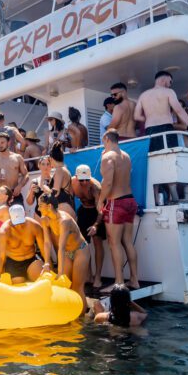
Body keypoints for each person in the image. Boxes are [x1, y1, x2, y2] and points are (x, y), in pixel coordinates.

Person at [89, 130, 139, 290]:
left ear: (106, 139)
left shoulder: (107, 157)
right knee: (128, 242)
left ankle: (119, 282)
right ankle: (134, 280)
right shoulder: (126, 155)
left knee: (114, 243)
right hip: (130, 200)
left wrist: (101, 200)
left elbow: (108, 182)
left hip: (116, 203)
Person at [38, 194, 90, 309]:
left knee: (77, 287)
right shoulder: (44, 219)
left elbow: (60, 247)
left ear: (49, 206)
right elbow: (47, 242)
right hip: (67, 252)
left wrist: (60, 272)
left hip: (80, 250)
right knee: (66, 286)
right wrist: (46, 262)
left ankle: (82, 321)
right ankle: (70, 315)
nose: (38, 209)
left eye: (40, 205)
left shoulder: (64, 221)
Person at [134, 70, 188, 152]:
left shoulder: (143, 95)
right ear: (164, 79)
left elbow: (136, 116)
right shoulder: (169, 92)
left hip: (150, 130)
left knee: (154, 157)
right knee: (170, 155)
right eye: (170, 81)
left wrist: (149, 118)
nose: (170, 85)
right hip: (166, 128)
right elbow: (179, 110)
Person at [71, 165, 106, 290]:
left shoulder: (95, 187)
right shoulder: (72, 183)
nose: (84, 182)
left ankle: (97, 277)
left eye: (87, 179)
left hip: (95, 213)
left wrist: (96, 226)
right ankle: (89, 275)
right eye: (81, 180)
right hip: (83, 211)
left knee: (97, 242)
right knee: (83, 244)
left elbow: (101, 210)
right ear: (76, 178)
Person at [0, 205, 48, 284]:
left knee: (42, 278)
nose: (19, 225)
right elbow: (0, 256)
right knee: (18, 283)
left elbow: (43, 248)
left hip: (31, 260)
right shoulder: (4, 231)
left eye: (21, 221)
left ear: (25, 214)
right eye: (16, 222)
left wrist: (48, 264)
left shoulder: (34, 225)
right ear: (10, 218)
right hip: (13, 262)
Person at [0, 132, 29, 205]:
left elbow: (26, 175)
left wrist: (20, 186)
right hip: (0, 195)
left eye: (2, 142)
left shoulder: (17, 157)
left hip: (15, 194)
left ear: (8, 142)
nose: (0, 145)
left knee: (18, 216)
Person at [48, 141, 76, 218]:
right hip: (68, 207)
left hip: (63, 208)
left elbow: (55, 192)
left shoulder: (59, 170)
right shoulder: (65, 170)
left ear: (51, 158)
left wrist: (44, 187)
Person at [26, 155, 53, 219]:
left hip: (52, 213)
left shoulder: (54, 180)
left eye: (48, 164)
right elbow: (29, 203)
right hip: (39, 214)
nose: (45, 167)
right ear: (39, 166)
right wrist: (31, 192)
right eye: (43, 164)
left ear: (51, 166)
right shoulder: (35, 181)